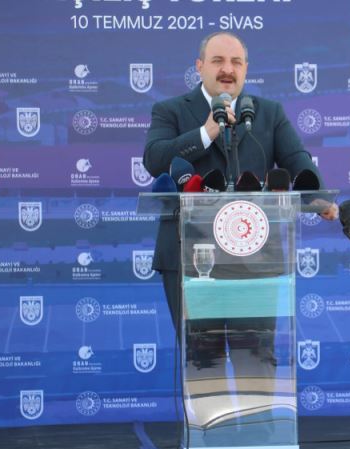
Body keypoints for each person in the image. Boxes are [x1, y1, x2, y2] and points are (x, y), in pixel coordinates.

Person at [144, 31, 337, 331]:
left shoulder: (268, 113)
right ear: (199, 66)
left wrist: (318, 196)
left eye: (236, 62)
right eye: (218, 61)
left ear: (246, 68)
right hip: (191, 259)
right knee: (202, 363)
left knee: (257, 362)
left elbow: (297, 159)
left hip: (255, 258)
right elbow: (155, 160)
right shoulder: (171, 110)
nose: (227, 70)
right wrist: (205, 133)